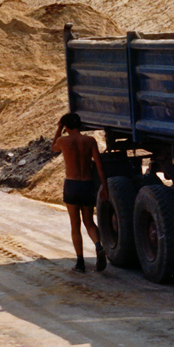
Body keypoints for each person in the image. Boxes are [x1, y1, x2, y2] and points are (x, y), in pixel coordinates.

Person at [51, 112, 108, 273]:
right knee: (89, 221)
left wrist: (58, 128)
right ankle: (98, 245)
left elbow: (53, 148)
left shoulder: (63, 141)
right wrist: (104, 187)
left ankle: (80, 262)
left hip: (72, 185)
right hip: (87, 185)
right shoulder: (90, 141)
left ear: (66, 126)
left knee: (75, 224)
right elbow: (99, 165)